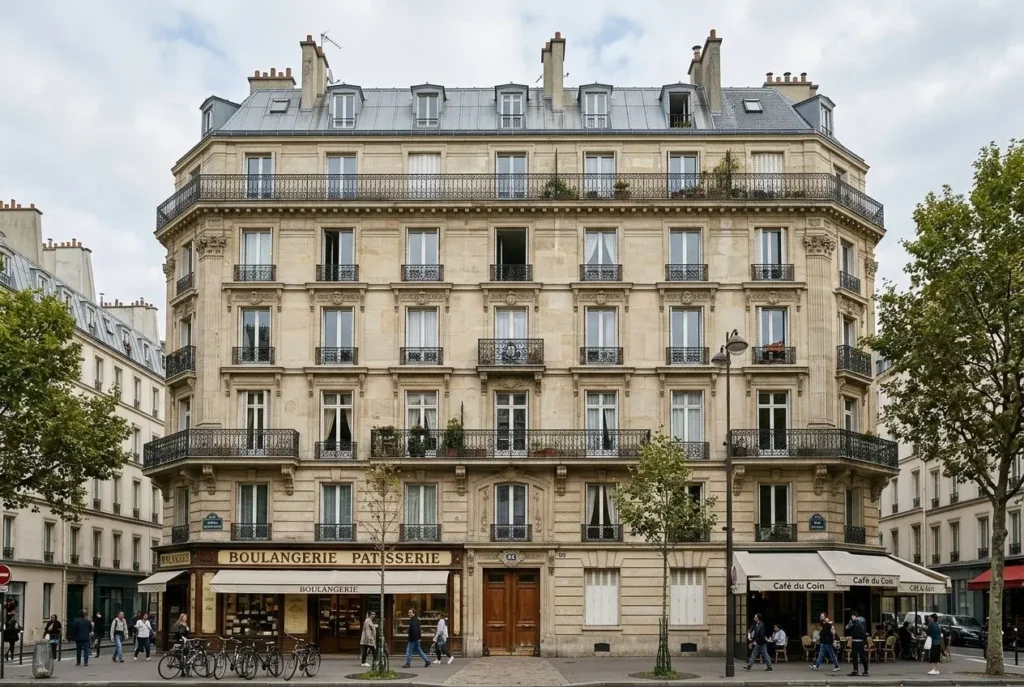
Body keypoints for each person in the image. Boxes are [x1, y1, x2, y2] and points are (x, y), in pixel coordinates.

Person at [846, 610, 869, 676]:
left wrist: (865, 643)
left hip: (860, 641)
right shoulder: (852, 622)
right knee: (854, 657)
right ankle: (855, 670)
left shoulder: (860, 622)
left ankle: (865, 670)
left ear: (856, 616)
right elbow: (847, 628)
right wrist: (851, 624)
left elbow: (863, 631)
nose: (852, 617)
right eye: (852, 616)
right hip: (854, 641)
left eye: (853, 616)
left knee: (862, 657)